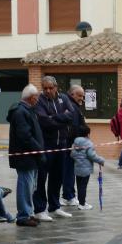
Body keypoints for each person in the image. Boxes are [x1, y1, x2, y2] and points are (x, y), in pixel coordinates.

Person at [34, 76, 74, 221]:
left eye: (51, 88)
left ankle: (55, 206)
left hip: (62, 143)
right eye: (45, 88)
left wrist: (55, 118)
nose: (48, 91)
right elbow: (44, 121)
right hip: (46, 144)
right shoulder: (40, 100)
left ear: (56, 87)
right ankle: (39, 209)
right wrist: (62, 118)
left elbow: (72, 115)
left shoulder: (63, 98)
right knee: (41, 177)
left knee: (57, 176)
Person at [7, 84, 44, 227]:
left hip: (31, 156)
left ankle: (29, 213)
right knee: (25, 186)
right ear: (31, 98)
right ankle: (23, 215)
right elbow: (25, 136)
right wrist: (38, 149)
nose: (37, 100)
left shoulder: (27, 110)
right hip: (25, 156)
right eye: (36, 98)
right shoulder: (21, 112)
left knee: (30, 186)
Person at [70, 124, 105, 210]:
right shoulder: (88, 143)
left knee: (79, 186)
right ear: (88, 134)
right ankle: (82, 204)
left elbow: (72, 154)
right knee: (83, 186)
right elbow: (91, 155)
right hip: (85, 168)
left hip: (77, 167)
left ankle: (80, 202)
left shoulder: (75, 142)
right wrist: (101, 160)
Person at [62, 84, 86, 207]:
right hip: (70, 145)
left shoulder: (73, 105)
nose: (82, 98)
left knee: (70, 170)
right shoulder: (70, 106)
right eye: (79, 95)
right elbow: (73, 127)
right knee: (69, 171)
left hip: (72, 143)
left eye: (83, 95)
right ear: (72, 94)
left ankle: (69, 195)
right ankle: (68, 196)